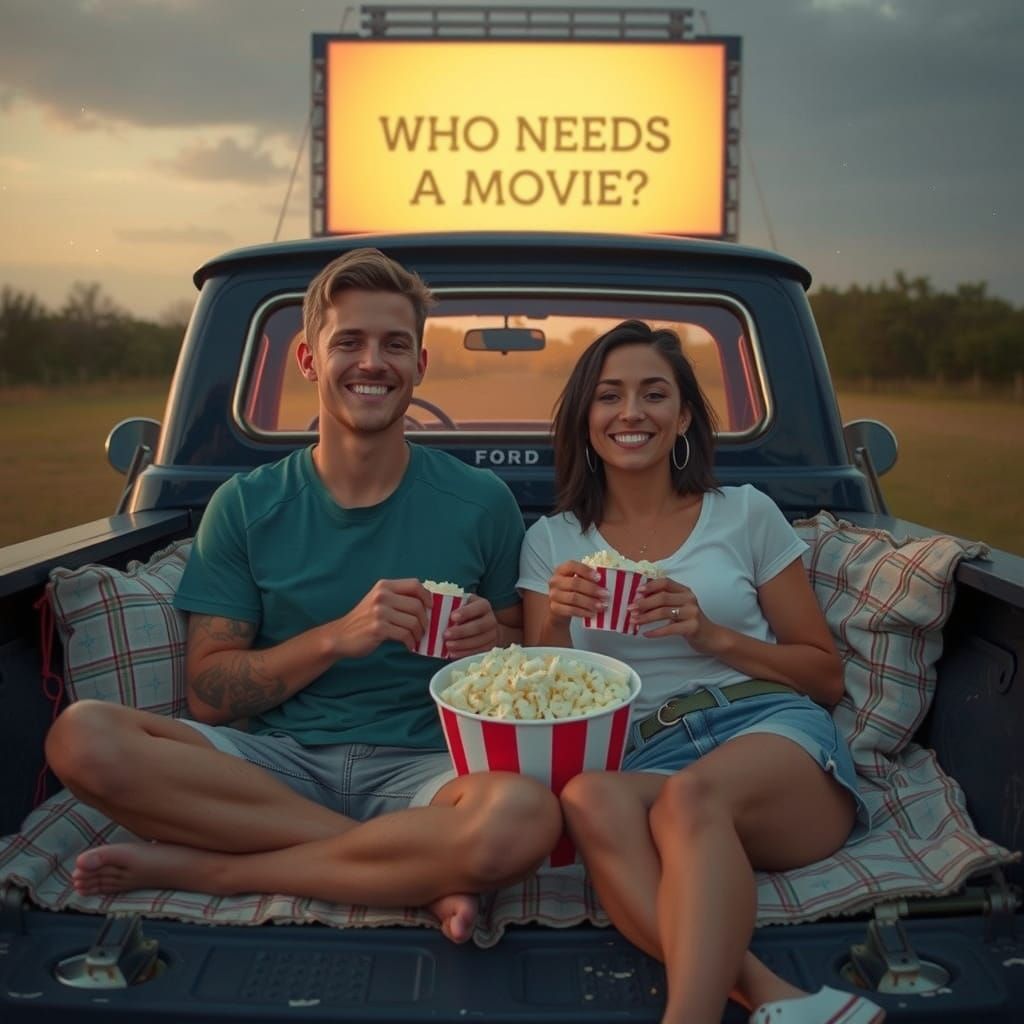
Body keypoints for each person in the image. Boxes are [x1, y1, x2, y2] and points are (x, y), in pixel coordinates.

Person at [45, 247, 561, 944]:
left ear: (419, 366)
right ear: (309, 359)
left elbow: (521, 649)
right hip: (272, 770)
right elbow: (209, 695)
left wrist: (492, 640)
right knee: (82, 737)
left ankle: (219, 873)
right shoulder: (246, 505)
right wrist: (335, 637)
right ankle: (405, 865)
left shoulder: (481, 502)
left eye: (394, 345)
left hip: (430, 770)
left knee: (527, 817)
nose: (372, 362)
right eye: (348, 341)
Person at [517, 320, 884, 1023]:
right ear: (584, 419)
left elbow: (823, 676)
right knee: (590, 798)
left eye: (654, 394)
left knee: (689, 799)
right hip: (647, 749)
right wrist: (558, 621)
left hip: (767, 727)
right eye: (608, 396)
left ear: (683, 415)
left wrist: (710, 633)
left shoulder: (744, 514)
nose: (631, 413)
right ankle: (778, 1000)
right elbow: (542, 692)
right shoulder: (553, 541)